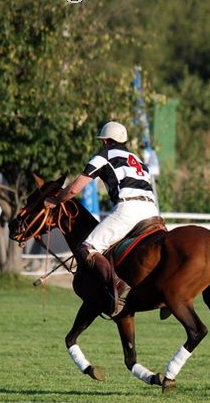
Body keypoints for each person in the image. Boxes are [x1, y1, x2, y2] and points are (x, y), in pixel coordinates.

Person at [45, 121, 159, 316]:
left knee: (86, 248)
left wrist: (56, 200)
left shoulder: (104, 156)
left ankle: (119, 285)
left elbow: (74, 188)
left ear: (106, 141)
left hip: (128, 209)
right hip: (152, 211)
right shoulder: (138, 160)